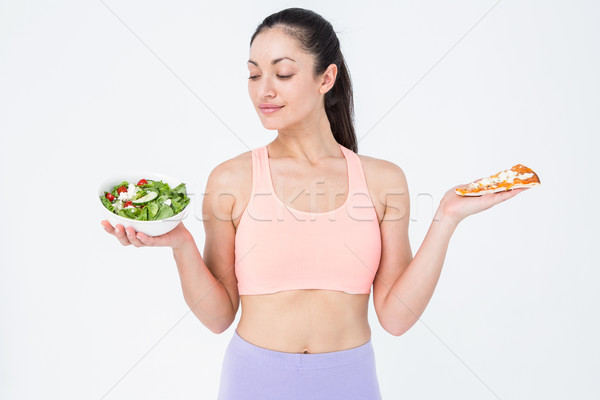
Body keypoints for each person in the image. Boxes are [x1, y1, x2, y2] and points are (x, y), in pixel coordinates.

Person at [101, 7, 529, 400]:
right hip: (253, 381)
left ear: (326, 79)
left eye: (282, 73)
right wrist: (180, 244)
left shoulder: (383, 181)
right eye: (253, 75)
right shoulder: (231, 179)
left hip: (350, 381)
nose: (263, 91)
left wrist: (446, 217)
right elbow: (218, 317)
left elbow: (396, 319)